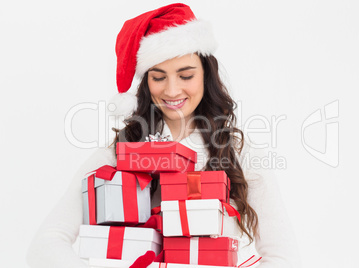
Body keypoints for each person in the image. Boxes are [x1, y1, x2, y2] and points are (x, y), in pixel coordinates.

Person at [26, 3, 301, 268]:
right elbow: (46, 245)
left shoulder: (241, 153)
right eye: (158, 77)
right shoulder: (119, 154)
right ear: (146, 82)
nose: (171, 91)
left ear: (206, 75)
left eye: (185, 75)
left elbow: (284, 258)